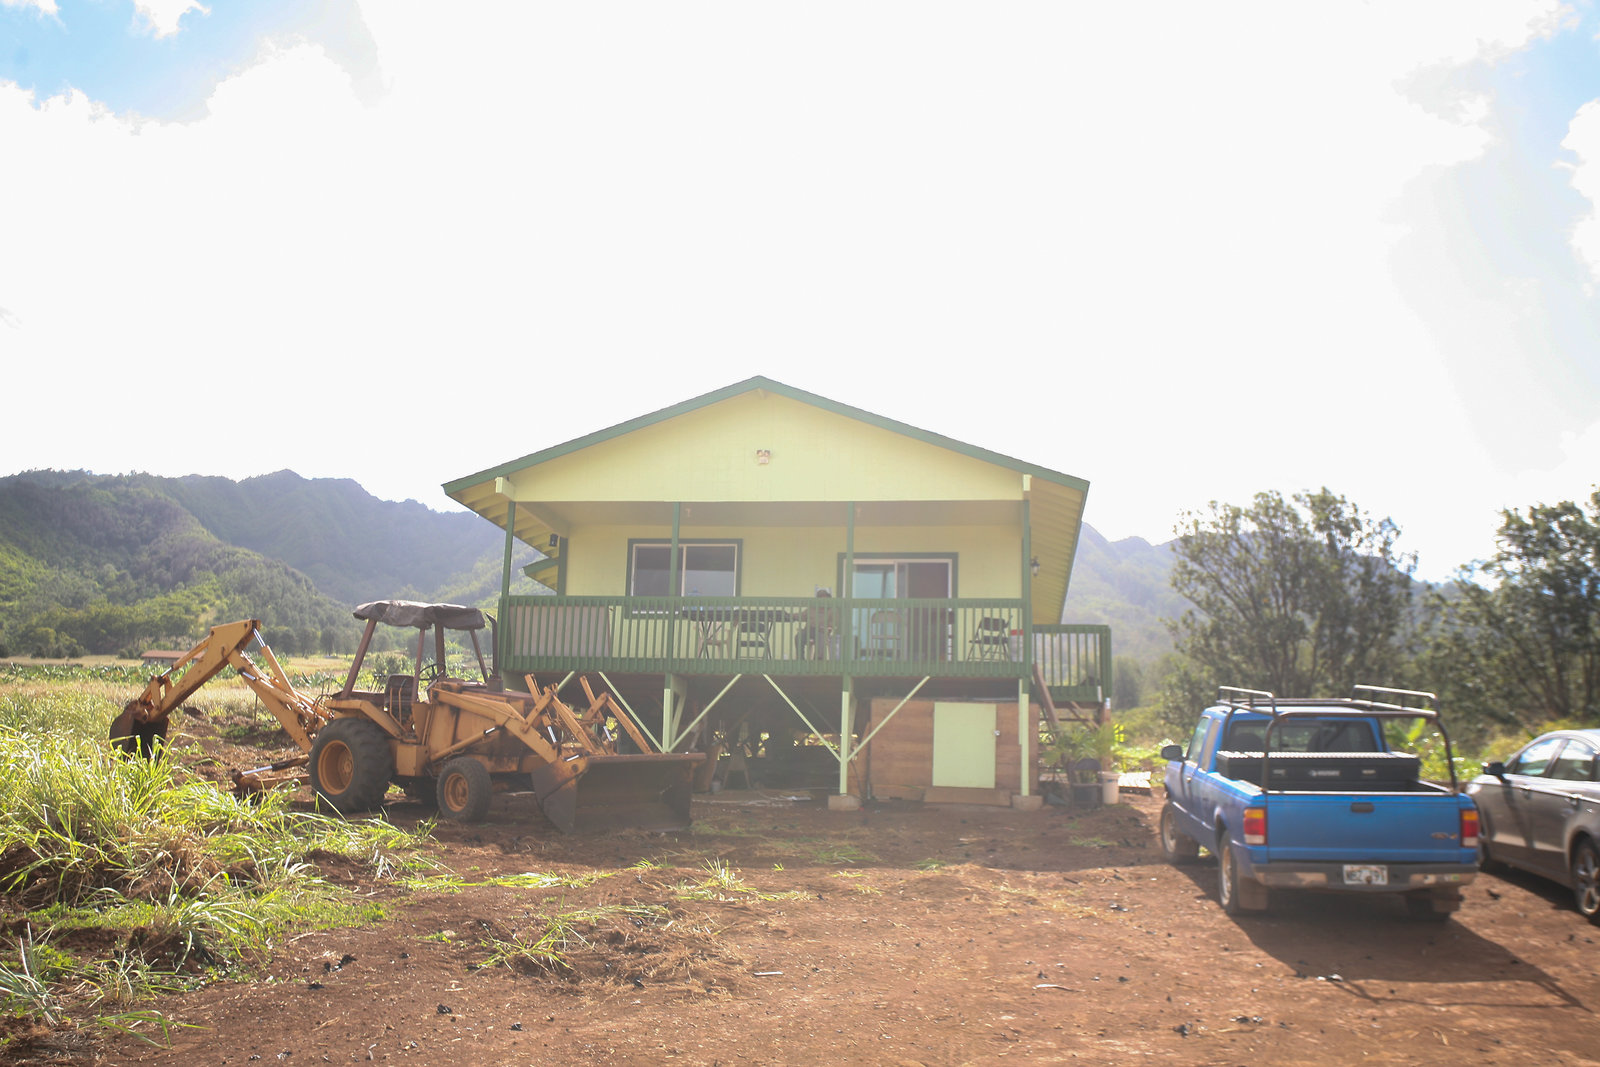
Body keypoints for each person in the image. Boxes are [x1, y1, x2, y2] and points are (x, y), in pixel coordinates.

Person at [796, 589, 834, 660]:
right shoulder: (812, 608)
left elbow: (833, 623)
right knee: (799, 636)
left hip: (822, 631)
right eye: (820, 598)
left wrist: (828, 628)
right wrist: (789, 615)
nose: (822, 601)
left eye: (824, 598)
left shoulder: (831, 610)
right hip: (809, 630)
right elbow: (801, 616)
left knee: (821, 637)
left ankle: (817, 660)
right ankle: (800, 660)